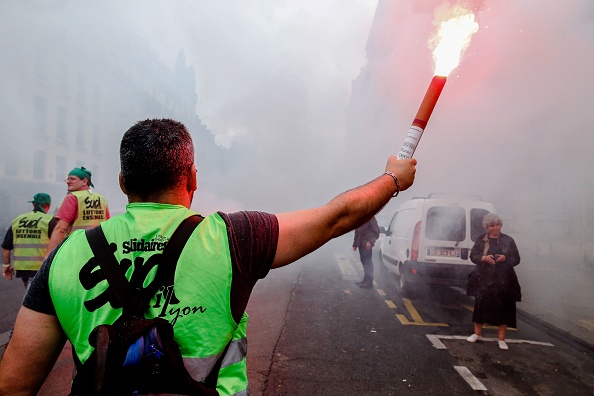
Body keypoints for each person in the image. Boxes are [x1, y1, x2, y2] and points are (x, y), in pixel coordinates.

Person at [0, 118, 417, 395]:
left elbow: (15, 385)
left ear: (123, 182)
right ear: (192, 178)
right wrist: (393, 178)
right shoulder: (235, 237)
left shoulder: (66, 256)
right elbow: (336, 216)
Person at [466, 213, 521, 350]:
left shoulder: (509, 240)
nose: (495, 228)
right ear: (487, 227)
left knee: (504, 307)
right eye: (492, 225)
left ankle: (501, 339)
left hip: (504, 279)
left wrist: (505, 258)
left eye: (498, 225)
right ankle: (476, 334)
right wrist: (484, 258)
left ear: (501, 225)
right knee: (481, 305)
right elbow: (473, 256)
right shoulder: (481, 239)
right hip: (484, 278)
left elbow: (517, 259)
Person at [45, 166, 110, 257]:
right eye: (67, 179)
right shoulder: (101, 199)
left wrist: (49, 255)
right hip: (98, 249)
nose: (68, 181)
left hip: (76, 250)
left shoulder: (72, 197)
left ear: (84, 181)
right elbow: (107, 225)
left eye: (72, 179)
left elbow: (60, 228)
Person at [2, 193, 58, 291]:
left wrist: (7, 265)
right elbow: (58, 243)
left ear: (33, 204)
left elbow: (6, 247)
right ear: (48, 206)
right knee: (33, 299)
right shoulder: (49, 221)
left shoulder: (18, 220)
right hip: (41, 267)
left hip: (22, 268)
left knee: (32, 294)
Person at [352, 215, 379, 288]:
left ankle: (369, 282)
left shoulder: (371, 217)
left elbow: (375, 232)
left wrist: (370, 242)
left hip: (367, 244)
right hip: (361, 243)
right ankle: (366, 279)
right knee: (363, 261)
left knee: (367, 262)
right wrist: (355, 244)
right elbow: (357, 232)